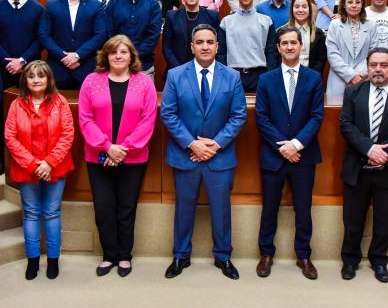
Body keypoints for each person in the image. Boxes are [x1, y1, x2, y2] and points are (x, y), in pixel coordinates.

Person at [161, 24, 247, 280]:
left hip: (219, 157)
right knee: (183, 209)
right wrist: (192, 144)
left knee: (221, 210)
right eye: (200, 42)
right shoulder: (176, 75)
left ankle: (223, 256)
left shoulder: (231, 76)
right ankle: (180, 255)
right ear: (192, 46)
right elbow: (168, 113)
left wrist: (215, 144)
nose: (206, 46)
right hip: (185, 155)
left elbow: (238, 115)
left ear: (217, 46)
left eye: (210, 42)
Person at [79, 35, 157, 277]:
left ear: (131, 56)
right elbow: (85, 118)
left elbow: (148, 119)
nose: (118, 56)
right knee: (104, 209)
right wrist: (106, 146)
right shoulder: (91, 81)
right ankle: (109, 255)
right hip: (98, 156)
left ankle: (124, 256)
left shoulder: (144, 83)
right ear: (106, 56)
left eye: (124, 52)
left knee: (126, 208)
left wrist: (123, 148)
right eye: (113, 52)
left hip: (132, 157)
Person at [255, 27, 324, 280]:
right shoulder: (266, 79)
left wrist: (296, 144)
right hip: (274, 156)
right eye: (284, 43)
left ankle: (304, 256)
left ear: (301, 45)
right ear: (278, 48)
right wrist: (282, 147)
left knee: (303, 210)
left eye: (293, 42)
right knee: (269, 209)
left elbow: (317, 117)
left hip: (303, 157)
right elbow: (261, 118)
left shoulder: (314, 78)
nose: (289, 47)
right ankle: (266, 254)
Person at [4, 60, 74, 280]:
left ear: (48, 79)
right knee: (32, 213)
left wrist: (49, 162)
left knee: (52, 213)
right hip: (27, 169)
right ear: (25, 79)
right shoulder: (17, 104)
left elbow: (67, 135)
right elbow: (10, 137)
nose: (36, 80)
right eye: (31, 76)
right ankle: (32, 261)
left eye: (41, 76)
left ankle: (53, 260)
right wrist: (35, 165)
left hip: (56, 165)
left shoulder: (60, 102)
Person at [339, 47, 388, 283]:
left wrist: (385, 151)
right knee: (353, 219)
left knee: (384, 220)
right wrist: (369, 149)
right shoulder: (354, 91)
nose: (378, 69)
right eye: (374, 64)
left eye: (384, 65)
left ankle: (379, 261)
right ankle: (350, 260)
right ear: (367, 66)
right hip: (358, 167)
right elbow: (346, 125)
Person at [0, 0, 44, 173]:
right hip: (3, 70)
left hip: (30, 72)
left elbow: (40, 39)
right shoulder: (0, 6)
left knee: (29, 117)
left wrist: (22, 60)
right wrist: (8, 61)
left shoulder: (37, 9)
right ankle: (4, 163)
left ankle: (29, 161)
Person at [38, 0, 107, 90]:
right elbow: (43, 35)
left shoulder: (96, 6)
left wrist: (77, 55)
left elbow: (100, 35)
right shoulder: (51, 5)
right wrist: (63, 56)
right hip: (57, 69)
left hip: (85, 68)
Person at [218, 0, 277, 92]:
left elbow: (271, 52)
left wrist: (268, 76)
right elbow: (221, 54)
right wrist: (225, 75)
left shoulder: (266, 21)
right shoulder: (226, 22)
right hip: (233, 75)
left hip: (259, 75)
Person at [107, 0, 162, 80]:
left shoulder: (153, 5)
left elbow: (153, 37)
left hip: (144, 66)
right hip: (117, 65)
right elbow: (109, 33)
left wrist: (131, 55)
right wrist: (121, 55)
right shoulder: (113, 3)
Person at [326, 0, 378, 98]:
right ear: (344, 5)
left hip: (364, 78)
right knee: (336, 114)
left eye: (357, 2)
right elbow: (332, 54)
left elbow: (374, 53)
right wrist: (350, 75)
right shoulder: (335, 25)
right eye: (350, 2)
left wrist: (359, 74)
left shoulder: (371, 25)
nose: (354, 5)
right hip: (339, 79)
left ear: (362, 4)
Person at [163, 0, 220, 71]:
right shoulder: (172, 16)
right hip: (177, 71)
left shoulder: (212, 16)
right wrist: (180, 70)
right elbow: (167, 48)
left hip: (204, 71)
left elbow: (217, 46)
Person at [284, 0, 327, 74]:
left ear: (309, 10)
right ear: (292, 9)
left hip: (311, 77)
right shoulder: (283, 32)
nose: (300, 10)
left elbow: (320, 60)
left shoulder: (319, 33)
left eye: (304, 7)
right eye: (297, 7)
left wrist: (311, 77)